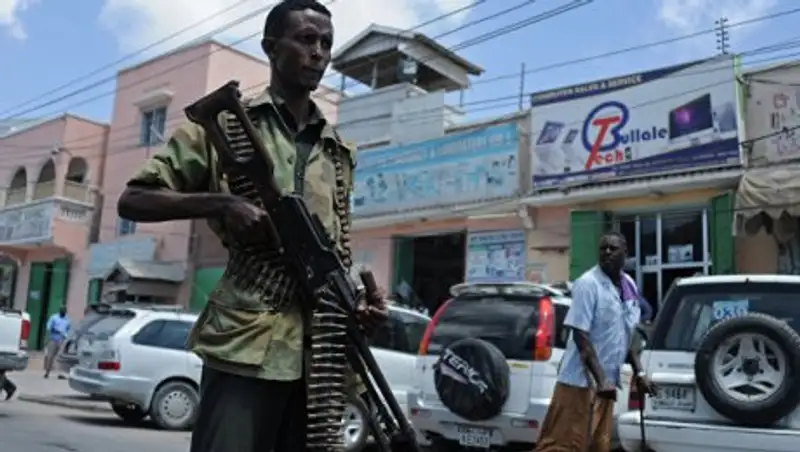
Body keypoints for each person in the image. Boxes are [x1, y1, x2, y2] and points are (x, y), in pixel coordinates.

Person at [116, 1, 388, 451]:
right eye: (305, 39)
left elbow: (335, 249)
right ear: (271, 47)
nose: (318, 52)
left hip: (319, 351)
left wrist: (357, 304)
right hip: (245, 340)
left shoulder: (338, 152)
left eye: (326, 43)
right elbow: (134, 199)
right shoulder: (226, 126)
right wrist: (223, 203)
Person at [535, 232, 657, 452]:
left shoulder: (628, 285)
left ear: (625, 253)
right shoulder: (588, 284)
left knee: (598, 447)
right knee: (562, 446)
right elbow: (580, 336)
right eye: (603, 248)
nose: (607, 252)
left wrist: (639, 373)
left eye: (613, 248)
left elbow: (627, 334)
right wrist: (600, 380)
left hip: (606, 386)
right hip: (578, 385)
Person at [44, 306, 70, 379]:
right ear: (59, 311)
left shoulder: (67, 320)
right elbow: (48, 327)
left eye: (64, 311)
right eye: (62, 310)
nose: (63, 312)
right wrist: (53, 331)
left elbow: (68, 329)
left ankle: (60, 373)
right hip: (53, 339)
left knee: (59, 357)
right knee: (50, 356)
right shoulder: (54, 318)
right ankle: (47, 372)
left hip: (61, 340)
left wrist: (65, 336)